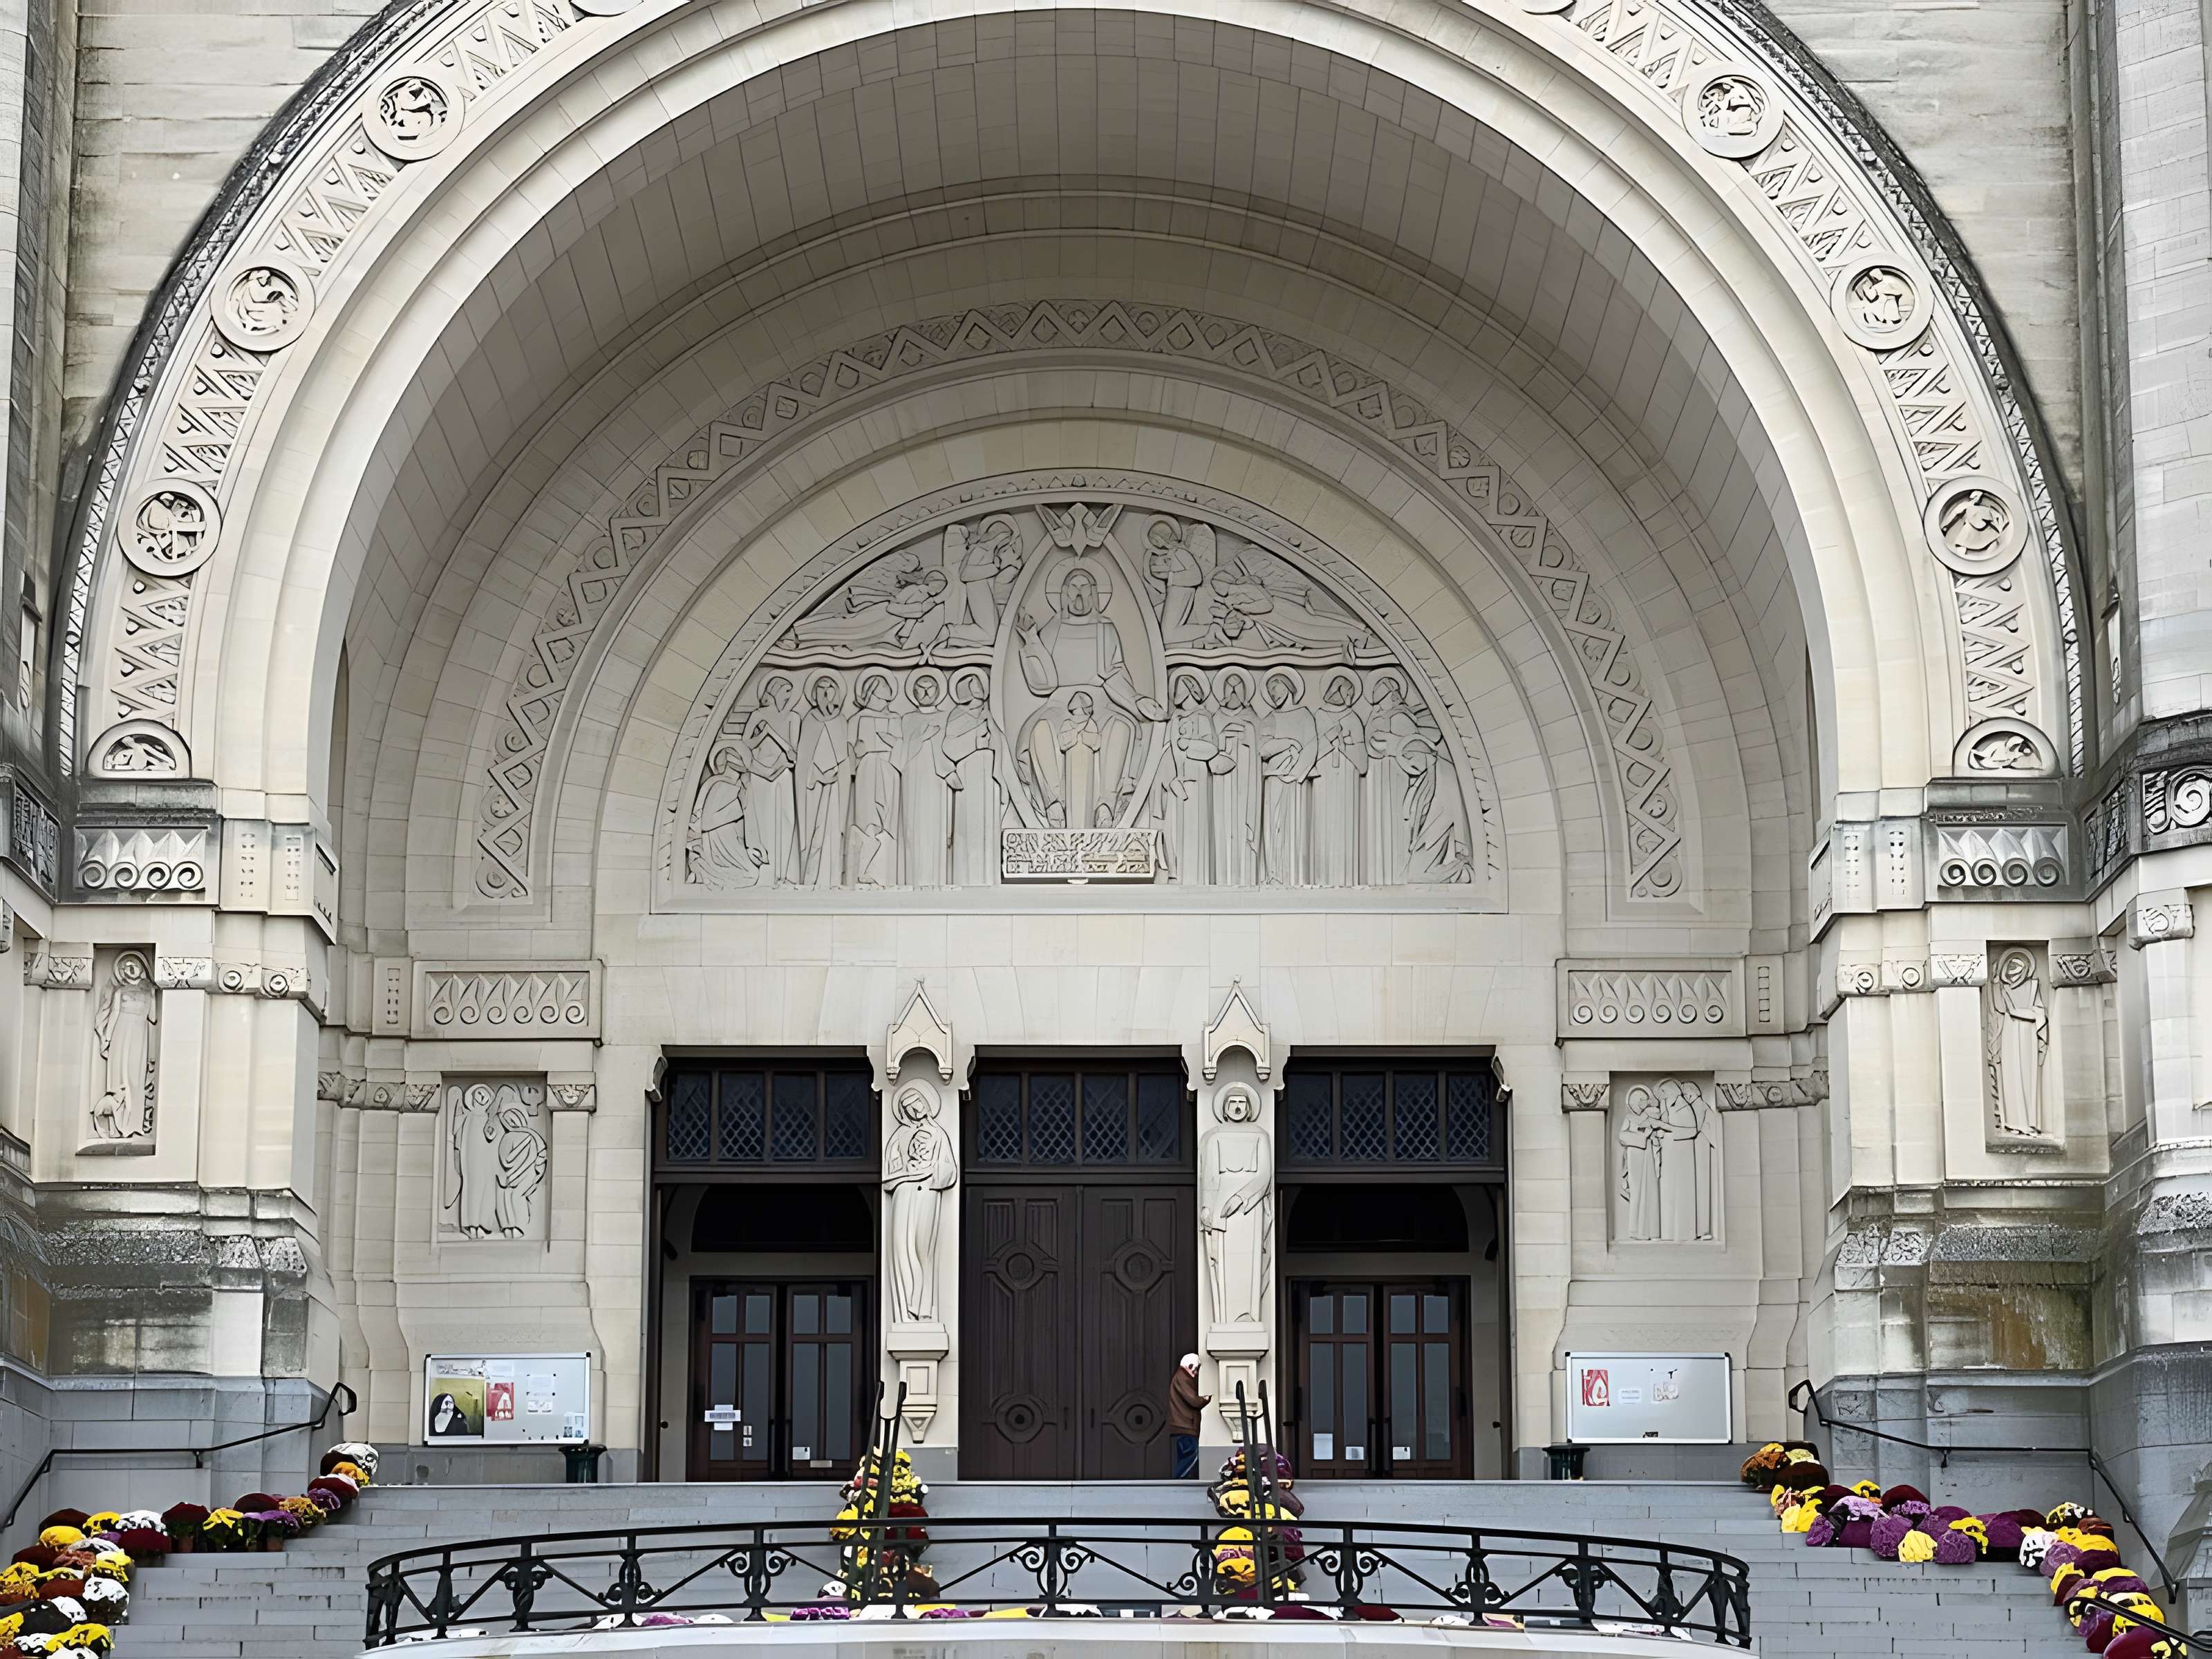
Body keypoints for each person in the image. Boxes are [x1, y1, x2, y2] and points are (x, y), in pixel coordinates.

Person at [1168, 1353, 1209, 1477]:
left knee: (1186, 1454)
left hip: (1183, 1425)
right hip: (1186, 1426)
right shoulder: (1183, 1378)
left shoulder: (1181, 1377)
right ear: (1190, 1366)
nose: (1196, 1373)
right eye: (1196, 1369)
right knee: (1191, 1454)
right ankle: (1179, 1479)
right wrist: (1205, 1399)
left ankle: (1180, 1480)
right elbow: (1193, 1400)